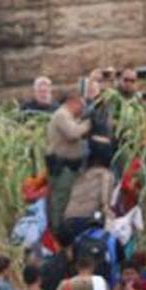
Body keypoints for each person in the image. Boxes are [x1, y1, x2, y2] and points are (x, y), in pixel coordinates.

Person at [46, 90, 91, 228]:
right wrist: (89, 123)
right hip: (62, 166)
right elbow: (73, 133)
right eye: (81, 106)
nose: (82, 110)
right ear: (73, 102)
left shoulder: (69, 116)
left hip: (71, 166)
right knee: (61, 200)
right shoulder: (62, 115)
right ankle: (57, 231)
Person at [61, 155, 115, 242]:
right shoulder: (105, 174)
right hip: (87, 221)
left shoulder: (79, 175)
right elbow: (104, 202)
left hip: (68, 220)